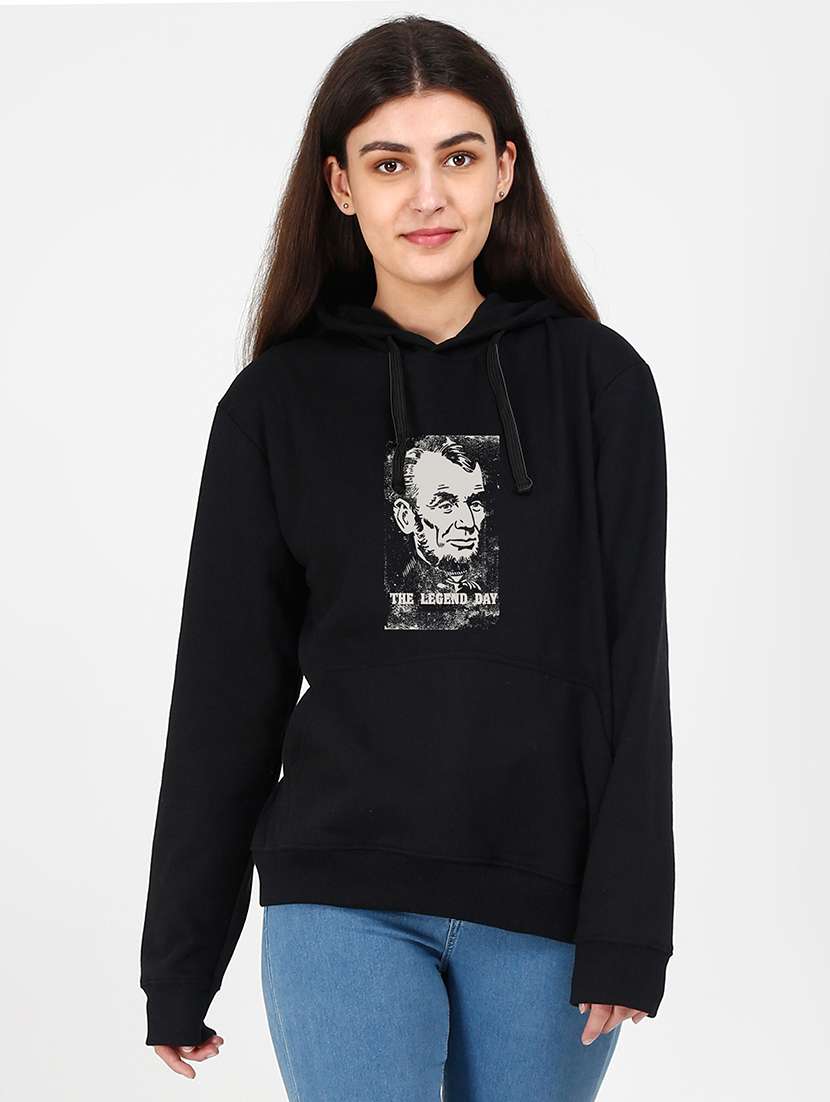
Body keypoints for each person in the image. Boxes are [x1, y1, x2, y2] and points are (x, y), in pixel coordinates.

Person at [139, 14, 675, 1100]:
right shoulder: (274, 406)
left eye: (457, 157)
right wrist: (180, 957)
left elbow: (634, 666)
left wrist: (630, 923)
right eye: (389, 164)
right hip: (340, 897)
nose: (427, 196)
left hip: (544, 901)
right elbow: (225, 691)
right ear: (340, 186)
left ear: (504, 171)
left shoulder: (598, 385)